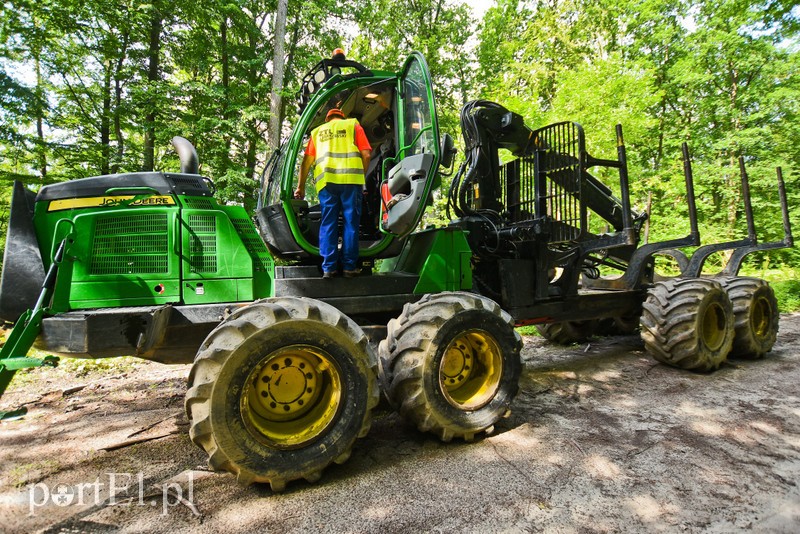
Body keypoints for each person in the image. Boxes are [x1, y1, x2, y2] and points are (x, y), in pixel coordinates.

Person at [295, 107, 372, 278]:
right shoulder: (353, 125)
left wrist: (300, 187)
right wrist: (362, 177)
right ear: (342, 117)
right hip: (351, 181)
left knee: (328, 222)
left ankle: (329, 268)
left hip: (327, 183)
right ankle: (349, 268)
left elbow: (306, 163)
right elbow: (366, 155)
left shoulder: (317, 132)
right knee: (351, 223)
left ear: (327, 120)